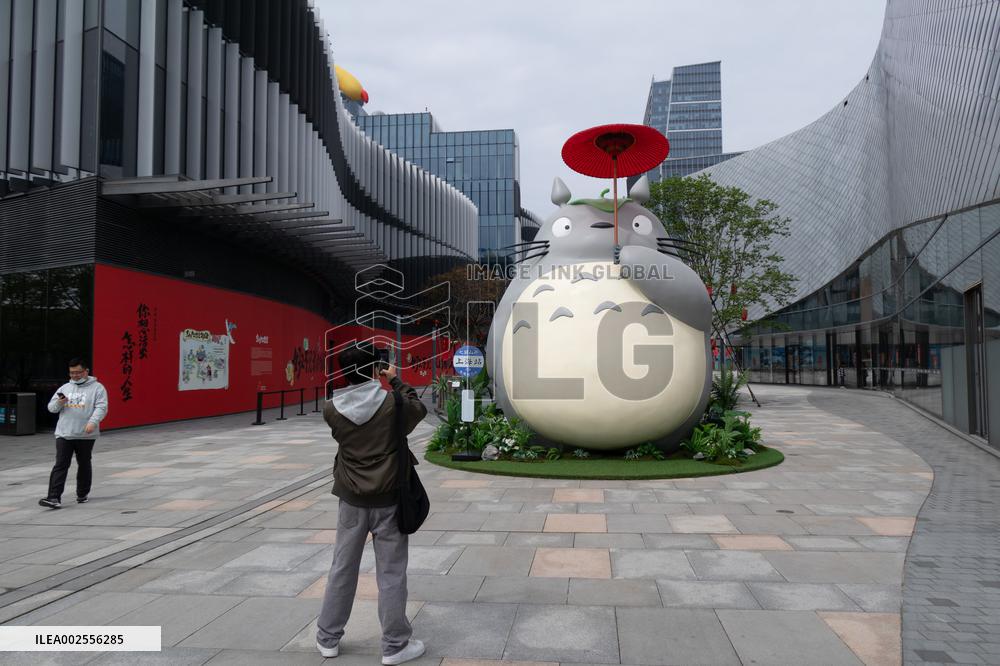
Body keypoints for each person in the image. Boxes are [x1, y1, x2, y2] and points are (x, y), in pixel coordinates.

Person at [316, 344, 427, 664]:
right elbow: (417, 409)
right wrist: (394, 381)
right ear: (375, 369)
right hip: (390, 498)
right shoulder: (393, 403)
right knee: (391, 573)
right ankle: (395, 646)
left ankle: (328, 638)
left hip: (351, 499)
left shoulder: (331, 408)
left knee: (342, 567)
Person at [39, 358, 109, 509]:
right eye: (72, 373)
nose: (75, 375)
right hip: (64, 433)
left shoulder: (98, 388)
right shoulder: (64, 388)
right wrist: (60, 403)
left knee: (84, 463)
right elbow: (51, 408)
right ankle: (53, 497)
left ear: (86, 371)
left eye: (78, 372)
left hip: (86, 434)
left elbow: (101, 407)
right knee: (61, 464)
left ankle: (82, 493)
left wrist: (93, 422)